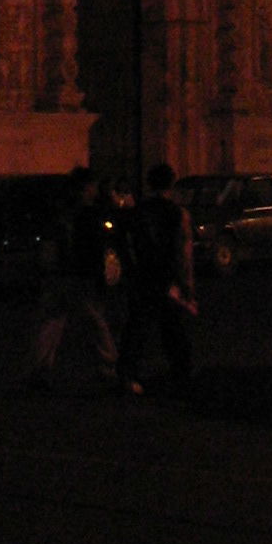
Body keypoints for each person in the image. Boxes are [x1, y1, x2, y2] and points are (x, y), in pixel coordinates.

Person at [27, 167, 119, 389]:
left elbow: (50, 245)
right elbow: (93, 251)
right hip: (81, 276)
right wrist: (98, 279)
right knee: (96, 322)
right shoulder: (88, 215)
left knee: (52, 322)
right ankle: (108, 367)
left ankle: (41, 369)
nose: (96, 191)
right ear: (86, 188)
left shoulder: (62, 212)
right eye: (93, 187)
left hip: (60, 275)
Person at [117, 162, 197, 396]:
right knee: (173, 329)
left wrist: (130, 271)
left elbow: (128, 244)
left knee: (137, 327)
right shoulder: (177, 213)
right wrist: (187, 285)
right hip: (166, 277)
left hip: (143, 276)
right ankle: (182, 374)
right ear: (172, 184)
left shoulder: (138, 211)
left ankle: (128, 374)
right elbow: (183, 252)